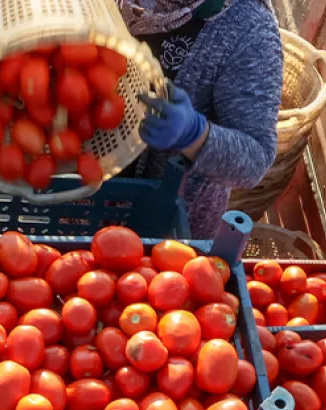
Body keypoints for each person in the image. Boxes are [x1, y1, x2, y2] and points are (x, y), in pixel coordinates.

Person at [120, 0, 283, 238]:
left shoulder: (250, 31)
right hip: (85, 186)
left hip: (167, 226)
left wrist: (195, 135)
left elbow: (256, 158)